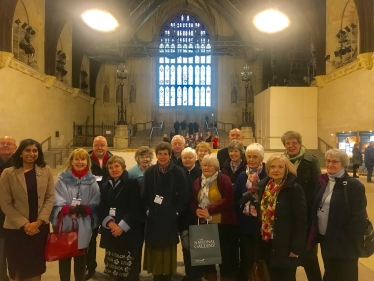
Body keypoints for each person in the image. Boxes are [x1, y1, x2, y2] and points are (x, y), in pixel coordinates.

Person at [307, 149, 367, 281]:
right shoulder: (323, 181)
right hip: (326, 239)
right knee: (330, 272)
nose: (330, 164)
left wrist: (347, 236)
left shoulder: (354, 185)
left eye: (334, 162)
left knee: (346, 274)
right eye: (328, 161)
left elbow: (359, 217)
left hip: (345, 242)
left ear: (343, 164)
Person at [0, 139, 55, 281]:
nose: (31, 153)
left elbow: (50, 198)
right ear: (20, 153)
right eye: (28, 150)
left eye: (35, 150)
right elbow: (5, 203)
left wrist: (38, 222)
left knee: (35, 266)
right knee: (16, 266)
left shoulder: (45, 170)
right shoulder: (8, 173)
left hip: (39, 228)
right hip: (15, 229)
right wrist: (25, 224)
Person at [51, 148, 100, 281]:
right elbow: (57, 198)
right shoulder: (62, 179)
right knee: (64, 259)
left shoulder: (92, 181)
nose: (80, 162)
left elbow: (96, 200)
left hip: (83, 223)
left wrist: (86, 209)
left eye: (83, 159)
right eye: (76, 159)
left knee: (80, 259)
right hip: (65, 221)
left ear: (87, 162)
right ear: (71, 161)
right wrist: (67, 209)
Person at [142, 142, 189, 281]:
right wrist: (147, 210)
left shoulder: (178, 171)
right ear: (156, 155)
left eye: (165, 154)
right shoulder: (150, 172)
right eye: (160, 154)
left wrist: (176, 212)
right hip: (154, 218)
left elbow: (184, 196)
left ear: (170, 156)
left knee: (168, 249)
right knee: (155, 249)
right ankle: (157, 276)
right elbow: (144, 195)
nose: (162, 156)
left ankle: (168, 275)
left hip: (170, 218)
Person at [256, 153, 307, 281]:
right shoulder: (264, 186)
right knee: (272, 276)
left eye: (280, 167)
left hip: (285, 244)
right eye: (273, 167)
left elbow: (300, 221)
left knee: (286, 277)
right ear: (268, 169)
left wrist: (295, 248)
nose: (276, 170)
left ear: (286, 169)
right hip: (267, 241)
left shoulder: (294, 188)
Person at [281, 130, 322, 281]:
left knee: (309, 256)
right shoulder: (281, 160)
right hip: (287, 213)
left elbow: (317, 186)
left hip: (306, 212)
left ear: (300, 143)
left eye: (294, 143)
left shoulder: (311, 160)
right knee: (289, 256)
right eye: (287, 143)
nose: (291, 146)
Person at [190, 154, 238, 281]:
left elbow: (228, 200)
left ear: (216, 167)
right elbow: (193, 201)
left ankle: (226, 277)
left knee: (225, 255)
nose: (206, 167)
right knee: (207, 256)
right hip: (205, 225)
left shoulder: (224, 179)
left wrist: (209, 210)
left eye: (209, 165)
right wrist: (197, 210)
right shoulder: (197, 181)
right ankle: (210, 277)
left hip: (223, 224)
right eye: (204, 165)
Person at [99, 156, 143, 281]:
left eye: (117, 166)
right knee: (115, 269)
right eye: (111, 167)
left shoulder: (132, 183)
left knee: (130, 270)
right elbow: (102, 208)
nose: (114, 169)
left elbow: (135, 208)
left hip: (128, 231)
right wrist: (111, 224)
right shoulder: (105, 185)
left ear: (123, 167)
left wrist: (121, 227)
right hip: (111, 230)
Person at [234, 143, 267, 281]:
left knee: (261, 255)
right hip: (246, 221)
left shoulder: (267, 174)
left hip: (263, 221)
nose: (251, 159)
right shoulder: (242, 175)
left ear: (261, 158)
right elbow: (235, 196)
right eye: (249, 157)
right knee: (246, 255)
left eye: (255, 157)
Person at [86, 136, 113, 279]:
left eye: (102, 145)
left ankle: (111, 266)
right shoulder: (86, 160)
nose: (99, 148)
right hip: (92, 206)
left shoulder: (113, 159)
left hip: (110, 205)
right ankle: (90, 267)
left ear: (107, 146)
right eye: (97, 145)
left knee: (111, 236)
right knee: (91, 237)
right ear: (93, 146)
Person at [128, 146, 153, 276]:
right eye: (142, 156)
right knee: (136, 245)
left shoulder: (155, 170)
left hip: (151, 214)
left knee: (152, 244)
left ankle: (153, 270)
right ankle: (134, 272)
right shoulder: (131, 173)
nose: (145, 159)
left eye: (147, 156)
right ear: (137, 158)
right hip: (137, 215)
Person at [180, 148, 203, 281]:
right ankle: (189, 273)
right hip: (183, 216)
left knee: (198, 245)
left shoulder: (201, 172)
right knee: (186, 246)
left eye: (190, 157)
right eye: (185, 158)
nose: (187, 160)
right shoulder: (179, 172)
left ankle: (199, 274)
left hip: (197, 215)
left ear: (195, 158)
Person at [0, 136, 17, 281]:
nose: (5, 145)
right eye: (2, 143)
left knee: (14, 251)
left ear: (15, 148)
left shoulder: (20, 164)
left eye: (8, 143)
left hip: (15, 214)